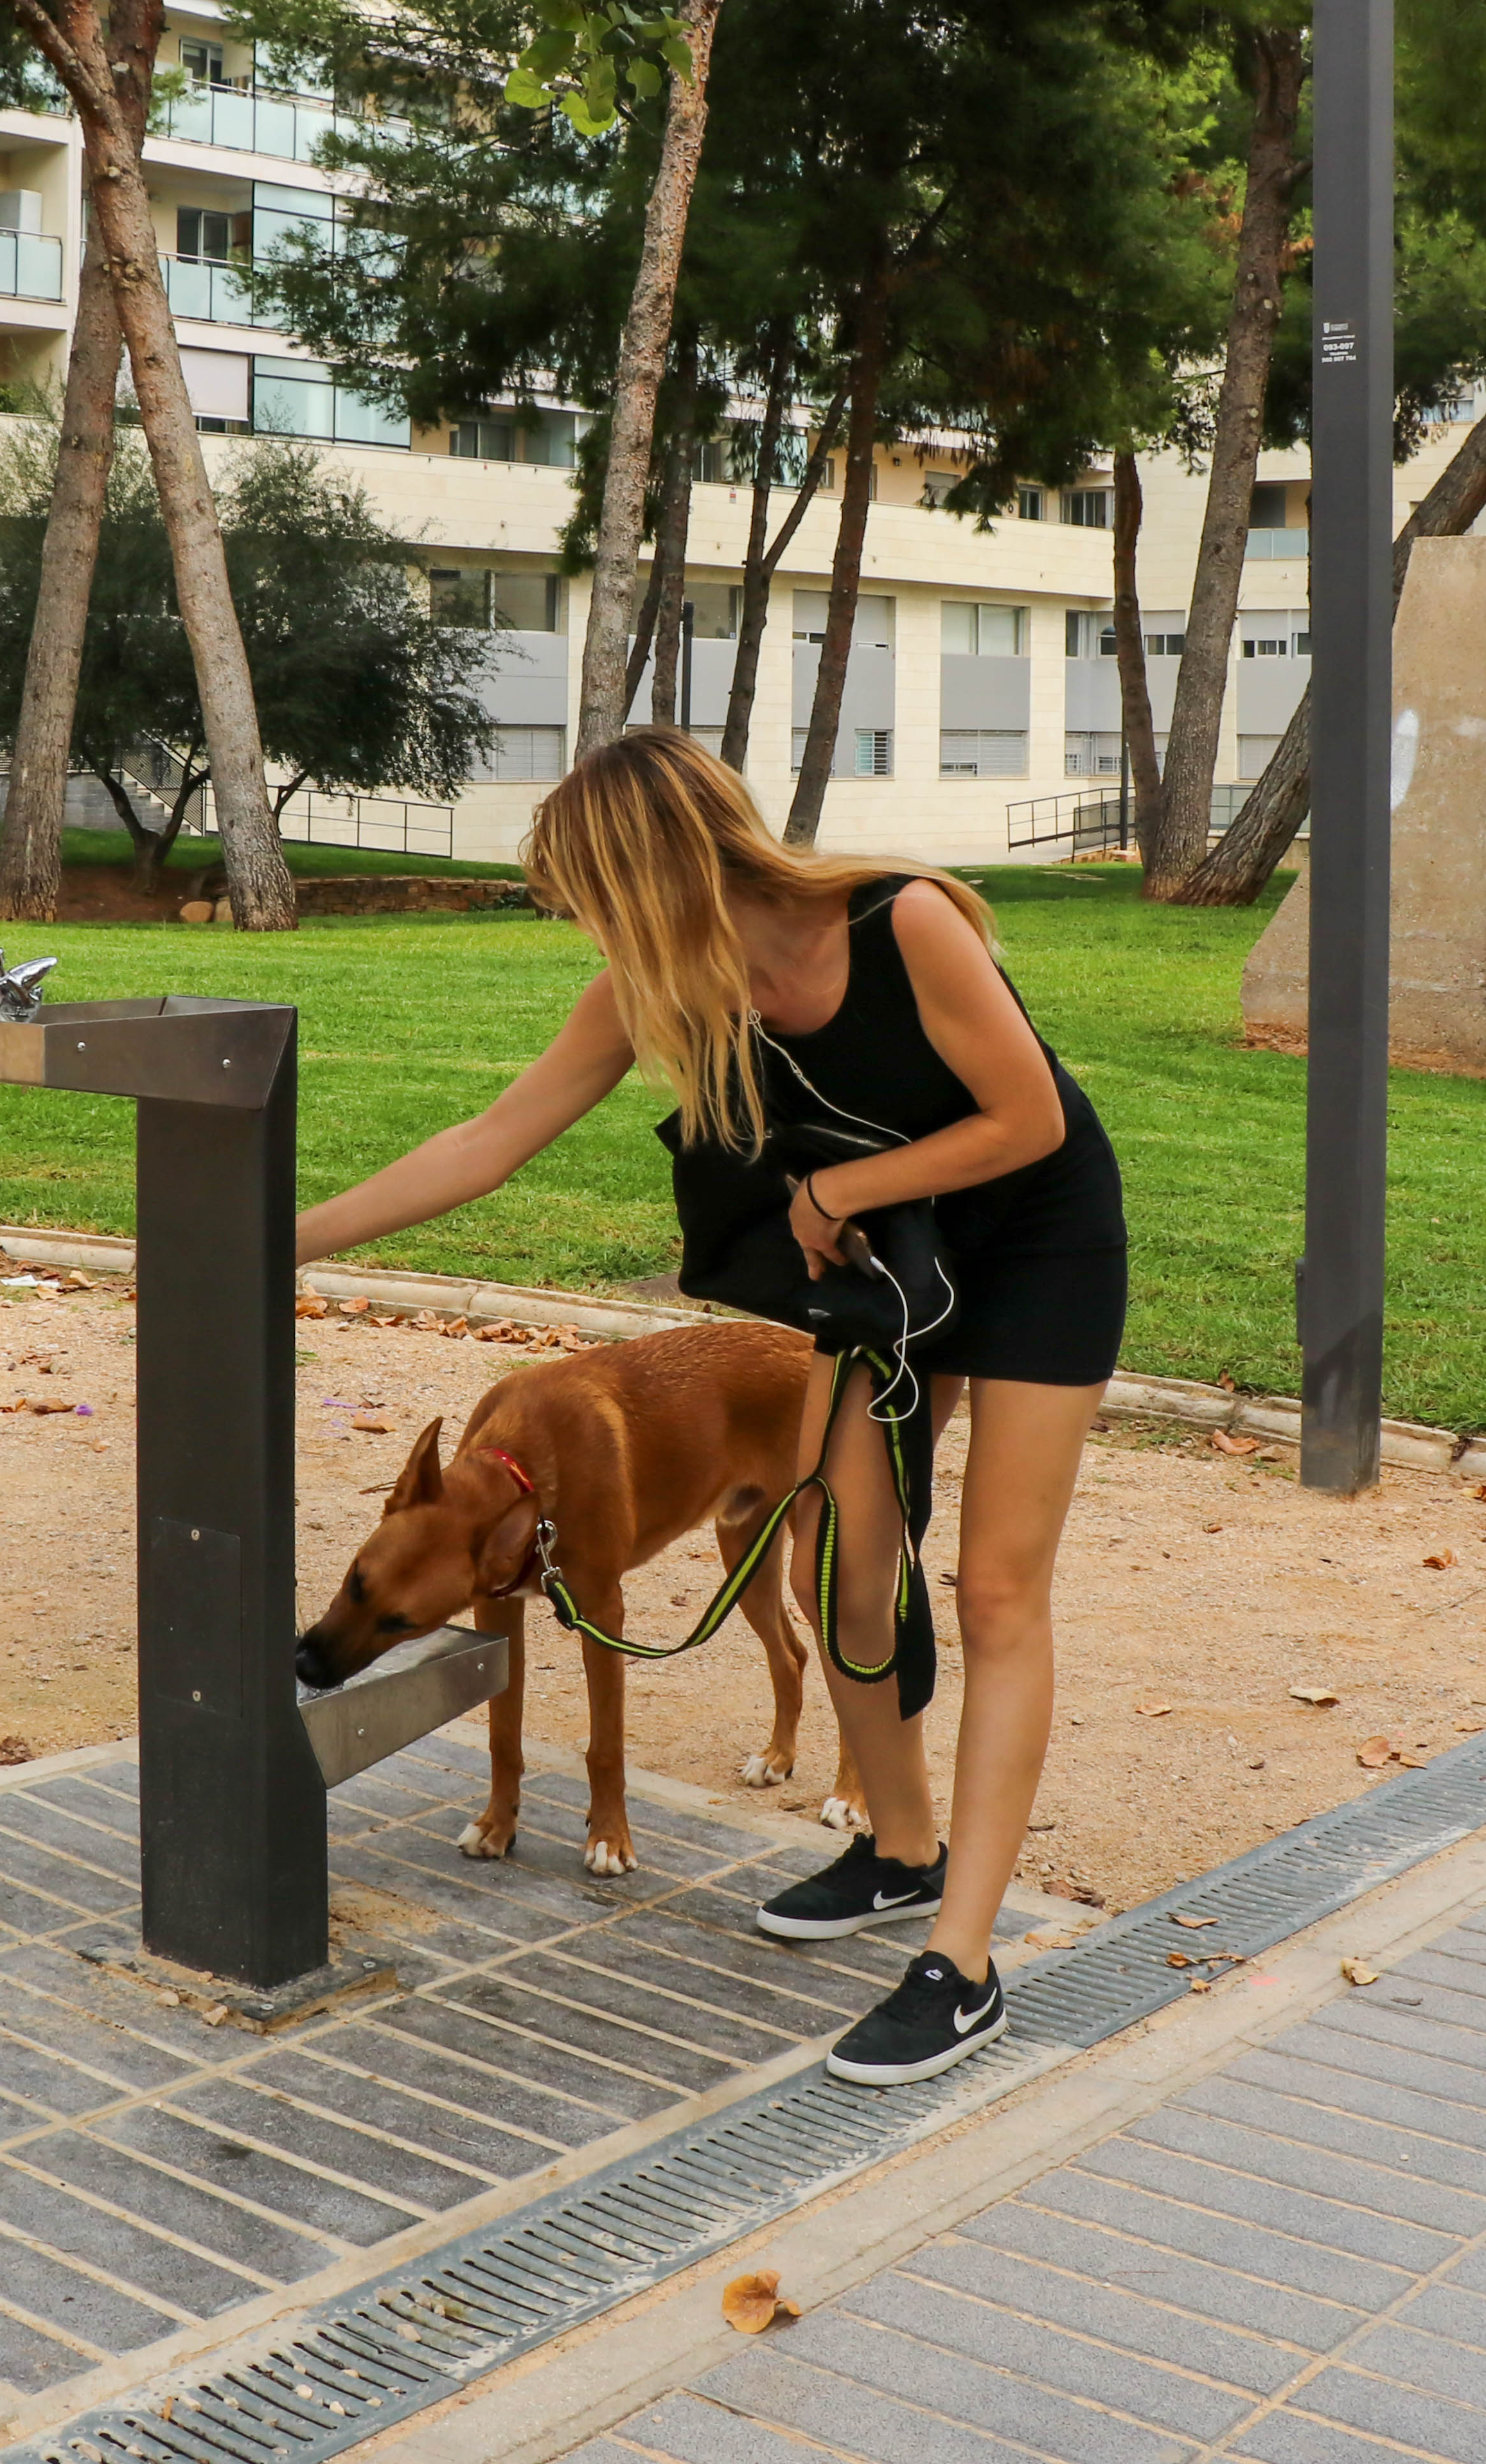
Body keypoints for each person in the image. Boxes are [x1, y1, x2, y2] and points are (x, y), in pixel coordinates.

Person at [297, 727, 1126, 2086]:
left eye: (589, 896)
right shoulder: (660, 988)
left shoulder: (903, 921)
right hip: (888, 1261)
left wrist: (836, 1191)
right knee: (843, 1569)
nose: (586, 929)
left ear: (652, 872)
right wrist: (281, 1241)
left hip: (1038, 1244)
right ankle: (902, 1849)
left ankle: (964, 1964)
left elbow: (1028, 1120)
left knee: (993, 1590)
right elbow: (489, 1141)